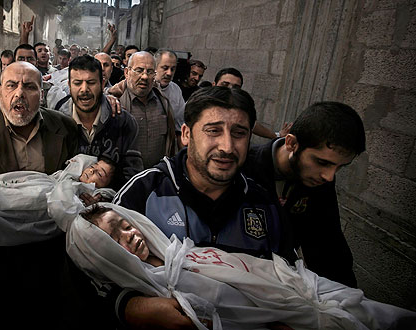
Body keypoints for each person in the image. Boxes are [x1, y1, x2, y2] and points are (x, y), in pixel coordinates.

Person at [111, 86, 295, 328]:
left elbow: (290, 285)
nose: (227, 146)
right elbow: (92, 267)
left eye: (239, 133)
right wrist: (130, 306)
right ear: (186, 134)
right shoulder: (144, 191)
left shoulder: (264, 205)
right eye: (213, 131)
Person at [73, 204, 416, 330]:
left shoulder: (179, 252)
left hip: (297, 283)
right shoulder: (158, 296)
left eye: (125, 224)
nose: (130, 234)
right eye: (113, 237)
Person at [0, 61, 78, 328]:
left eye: (29, 87)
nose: (19, 94)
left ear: (41, 94)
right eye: (11, 85)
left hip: (49, 257)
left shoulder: (65, 128)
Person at [243, 101, 365, 288]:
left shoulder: (320, 183)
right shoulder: (244, 168)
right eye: (322, 162)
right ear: (292, 143)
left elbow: (328, 247)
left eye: (339, 167)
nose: (330, 176)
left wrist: (347, 300)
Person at [52, 55, 143, 190]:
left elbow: (132, 175)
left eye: (91, 82)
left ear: (102, 84)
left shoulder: (123, 122)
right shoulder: (56, 122)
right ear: (69, 85)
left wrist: (105, 197)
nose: (84, 89)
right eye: (77, 83)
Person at [113, 51, 177, 168]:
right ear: (127, 72)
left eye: (150, 71)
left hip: (157, 178)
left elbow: (171, 142)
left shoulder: (163, 103)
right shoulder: (115, 103)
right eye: (139, 70)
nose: (145, 76)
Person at [213, 67, 292, 139]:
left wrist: (277, 135)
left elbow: (252, 125)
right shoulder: (202, 105)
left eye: (236, 87)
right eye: (224, 84)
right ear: (214, 85)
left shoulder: (238, 110)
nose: (229, 89)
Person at [155, 49, 186, 135]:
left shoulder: (176, 90)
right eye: (165, 68)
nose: (169, 73)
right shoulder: (145, 88)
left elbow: (179, 121)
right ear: (155, 67)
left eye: (173, 69)